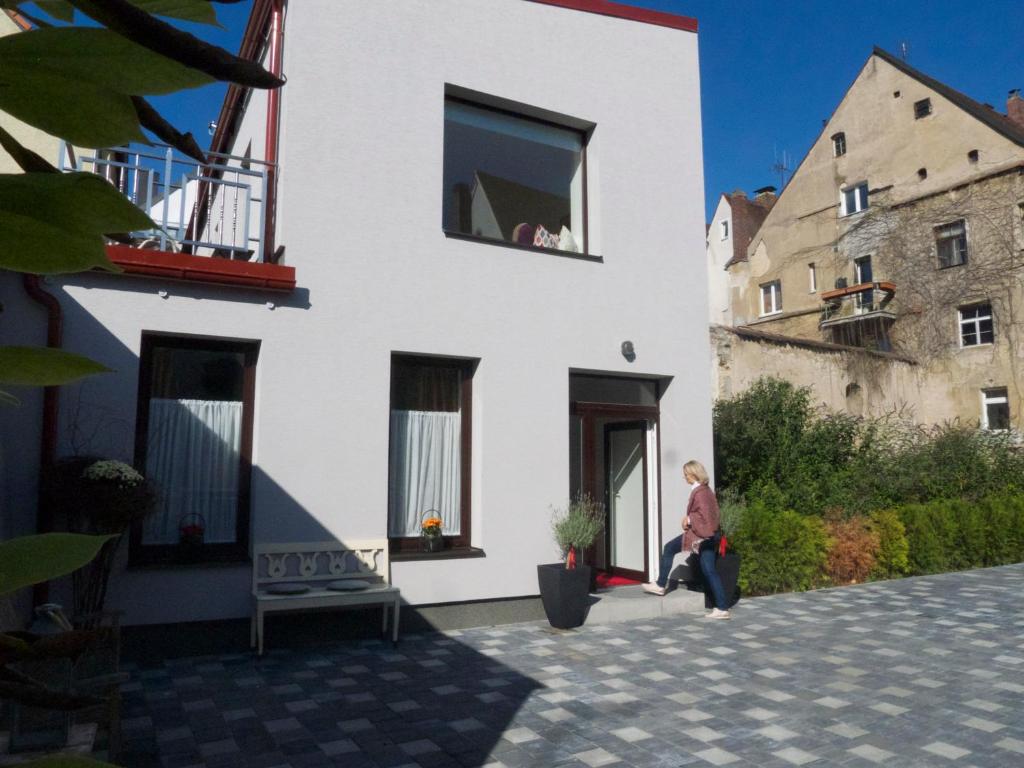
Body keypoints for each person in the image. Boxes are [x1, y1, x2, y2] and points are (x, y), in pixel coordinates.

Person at [642, 460, 731, 619]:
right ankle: (722, 608)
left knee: (669, 548)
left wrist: (689, 520)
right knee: (709, 570)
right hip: (708, 537)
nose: (685, 478)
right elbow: (712, 516)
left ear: (693, 474)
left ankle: (661, 585)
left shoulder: (701, 493)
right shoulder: (706, 491)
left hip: (701, 537)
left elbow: (705, 518)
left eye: (686, 475)